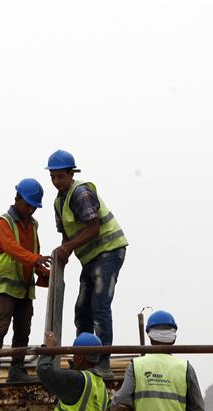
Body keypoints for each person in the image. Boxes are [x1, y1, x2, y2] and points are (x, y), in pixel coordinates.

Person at [47, 149, 128, 379]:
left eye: (60, 176)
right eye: (52, 177)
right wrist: (62, 253)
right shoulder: (58, 202)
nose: (56, 181)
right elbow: (66, 235)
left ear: (71, 174)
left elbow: (94, 228)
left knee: (99, 305)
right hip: (91, 258)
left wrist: (68, 247)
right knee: (82, 309)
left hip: (109, 250)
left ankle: (102, 362)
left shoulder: (80, 193)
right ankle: (84, 359)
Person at [0, 178, 52, 383]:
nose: (32, 209)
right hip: (3, 285)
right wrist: (35, 259)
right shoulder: (2, 222)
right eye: (29, 204)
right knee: (1, 327)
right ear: (17, 199)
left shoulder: (33, 225)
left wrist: (41, 270)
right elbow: (11, 248)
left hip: (23, 287)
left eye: (34, 206)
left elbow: (32, 252)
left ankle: (17, 369)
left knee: (23, 329)